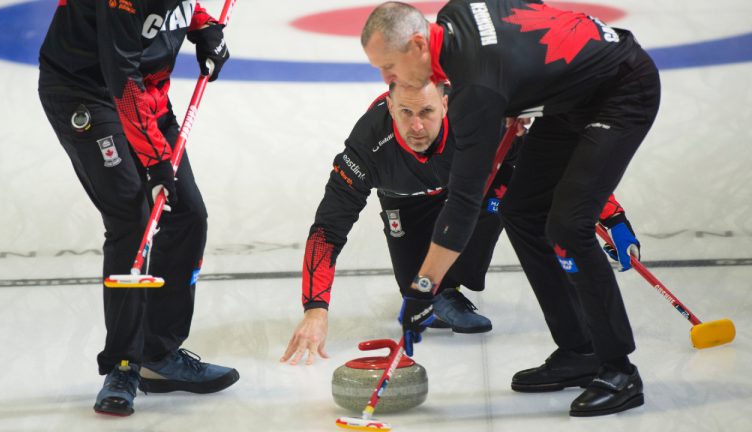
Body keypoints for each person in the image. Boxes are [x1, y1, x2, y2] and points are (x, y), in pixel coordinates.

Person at [361, 0, 659, 417]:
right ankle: (579, 350)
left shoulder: (476, 90)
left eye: (389, 67)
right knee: (520, 210)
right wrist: (519, 91)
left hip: (622, 91)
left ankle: (619, 371)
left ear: (416, 44)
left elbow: (464, 203)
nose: (387, 78)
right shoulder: (456, 13)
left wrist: (423, 287)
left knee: (569, 227)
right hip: (572, 96)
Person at [280, 81, 637, 367]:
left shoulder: (479, 121)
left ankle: (563, 310)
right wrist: (316, 310)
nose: (416, 126)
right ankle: (439, 292)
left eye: (427, 112)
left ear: (446, 105)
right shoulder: (366, 149)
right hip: (405, 200)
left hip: (473, 190)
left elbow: (554, 163)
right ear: (389, 107)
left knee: (513, 197)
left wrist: (612, 215)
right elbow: (327, 231)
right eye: (405, 112)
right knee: (416, 289)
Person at [38, 0, 239, 416]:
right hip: (86, 92)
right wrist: (155, 161)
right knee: (132, 217)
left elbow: (175, 10)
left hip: (144, 90)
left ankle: (158, 355)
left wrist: (204, 27)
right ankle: (124, 365)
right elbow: (120, 79)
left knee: (187, 214)